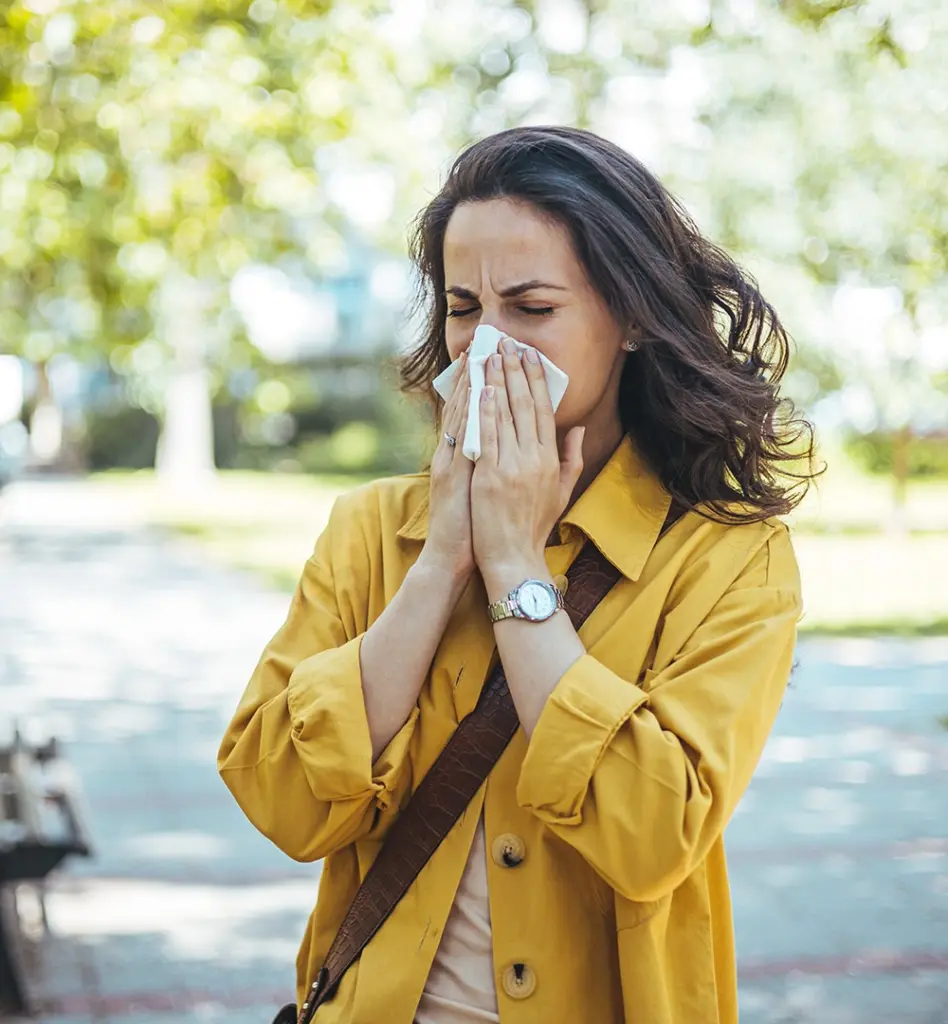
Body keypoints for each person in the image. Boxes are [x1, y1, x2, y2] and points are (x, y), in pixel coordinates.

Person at [218, 126, 817, 1024]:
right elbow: (281, 800)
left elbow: (656, 836)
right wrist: (443, 562)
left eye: (531, 308)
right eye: (464, 308)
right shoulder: (372, 531)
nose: (486, 347)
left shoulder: (729, 559)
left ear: (631, 319)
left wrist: (512, 564)